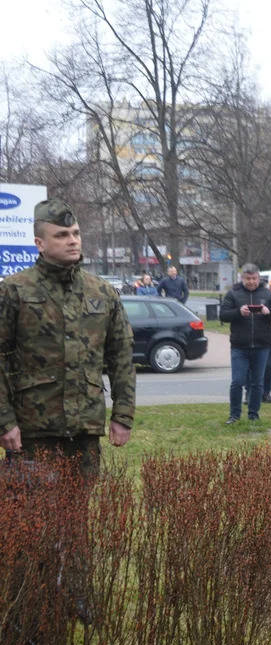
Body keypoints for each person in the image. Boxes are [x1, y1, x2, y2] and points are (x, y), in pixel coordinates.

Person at [0, 199, 136, 480]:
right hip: (32, 430)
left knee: (77, 517)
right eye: (61, 235)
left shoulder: (102, 292)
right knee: (32, 517)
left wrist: (123, 414)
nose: (72, 241)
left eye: (75, 233)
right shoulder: (13, 291)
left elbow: (121, 355)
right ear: (40, 243)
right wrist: (4, 421)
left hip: (84, 429)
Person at [218, 263, 271, 424]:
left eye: (254, 278)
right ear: (242, 278)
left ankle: (253, 415)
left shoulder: (267, 294)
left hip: (262, 345)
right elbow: (223, 315)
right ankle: (234, 415)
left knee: (257, 382)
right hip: (240, 346)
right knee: (237, 381)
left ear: (258, 277)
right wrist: (238, 313)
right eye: (248, 279)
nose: (251, 282)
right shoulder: (233, 294)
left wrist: (268, 312)